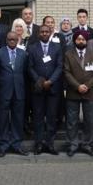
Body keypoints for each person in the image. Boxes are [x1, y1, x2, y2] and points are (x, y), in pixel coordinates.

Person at [63, 31, 93, 157]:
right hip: (73, 92)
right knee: (71, 121)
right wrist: (77, 86)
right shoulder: (68, 54)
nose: (80, 41)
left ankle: (87, 145)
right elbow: (66, 72)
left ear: (86, 41)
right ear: (74, 40)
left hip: (90, 92)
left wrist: (87, 86)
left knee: (89, 120)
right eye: (78, 39)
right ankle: (72, 145)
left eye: (83, 39)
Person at [27, 25, 63, 155]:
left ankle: (50, 144)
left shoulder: (57, 48)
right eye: (42, 32)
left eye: (46, 31)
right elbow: (29, 67)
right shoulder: (31, 48)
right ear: (38, 34)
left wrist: (50, 81)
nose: (44, 33)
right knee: (38, 118)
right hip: (38, 89)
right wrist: (40, 81)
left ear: (50, 33)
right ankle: (39, 144)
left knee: (52, 118)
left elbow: (60, 66)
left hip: (53, 88)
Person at [0, 32, 29, 157]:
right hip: (3, 92)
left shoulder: (24, 54)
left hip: (19, 92)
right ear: (6, 40)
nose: (12, 41)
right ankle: (2, 145)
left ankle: (16, 144)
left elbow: (26, 74)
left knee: (17, 119)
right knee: (2, 120)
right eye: (9, 39)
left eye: (14, 39)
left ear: (18, 40)